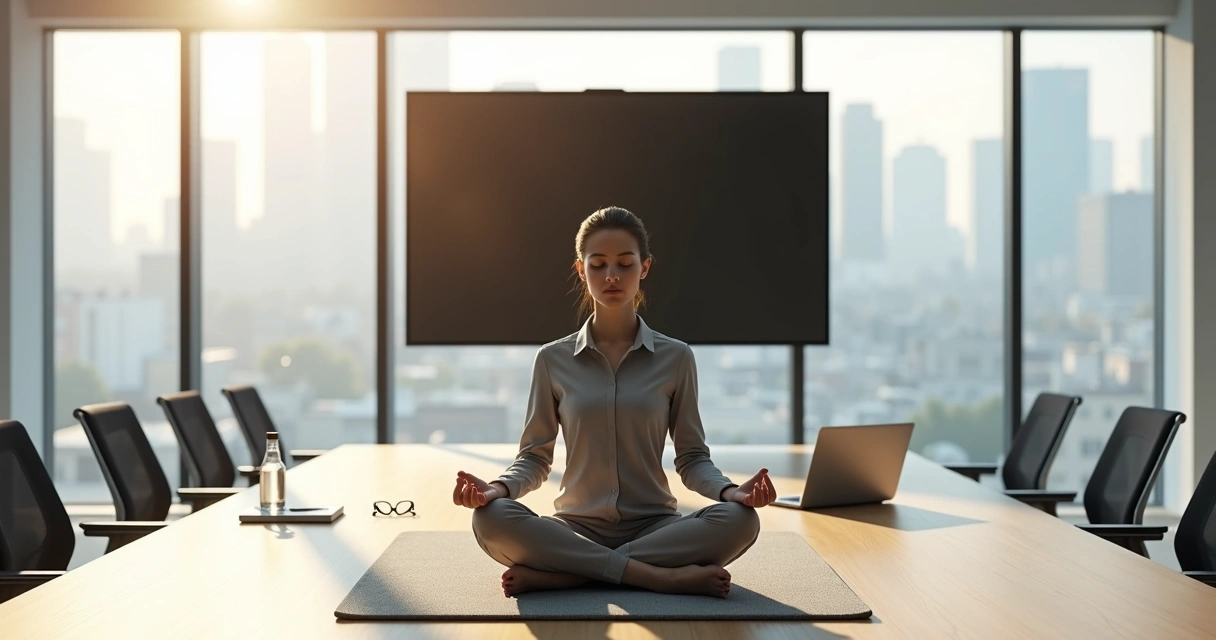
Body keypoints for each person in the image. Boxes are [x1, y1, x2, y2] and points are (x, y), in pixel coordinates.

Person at [453, 206, 776, 599]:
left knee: (741, 520)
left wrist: (730, 492)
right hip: (574, 527)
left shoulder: (676, 358)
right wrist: (497, 489)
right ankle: (661, 577)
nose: (611, 275)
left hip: (656, 527)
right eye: (598, 264)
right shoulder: (552, 360)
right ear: (580, 270)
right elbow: (535, 458)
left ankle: (570, 574)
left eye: (625, 264)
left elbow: (692, 458)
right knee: (491, 518)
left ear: (644, 267)